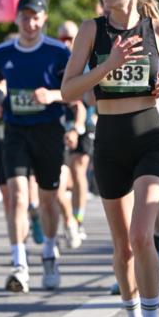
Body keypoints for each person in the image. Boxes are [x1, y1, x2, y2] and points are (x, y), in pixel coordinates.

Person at [62, 0, 159, 317]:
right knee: (121, 247)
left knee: (140, 236)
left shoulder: (157, 29)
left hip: (150, 137)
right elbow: (68, 90)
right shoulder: (90, 31)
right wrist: (108, 65)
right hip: (109, 142)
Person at [0, 0, 70, 293]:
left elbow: (74, 90)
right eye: (25, 17)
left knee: (48, 200)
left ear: (44, 19)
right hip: (15, 130)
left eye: (36, 17)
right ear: (17, 19)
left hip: (48, 129)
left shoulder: (58, 52)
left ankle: (49, 252)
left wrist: (52, 96)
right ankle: (19, 264)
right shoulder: (2, 51)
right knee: (18, 196)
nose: (30, 23)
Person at [57, 20, 92, 242]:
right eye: (63, 38)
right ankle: (67, 218)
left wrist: (77, 127)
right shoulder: (53, 60)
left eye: (70, 38)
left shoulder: (85, 61)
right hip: (57, 124)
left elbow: (83, 101)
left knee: (78, 170)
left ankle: (77, 219)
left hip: (83, 123)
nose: (66, 43)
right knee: (61, 177)